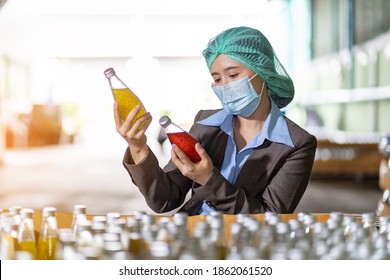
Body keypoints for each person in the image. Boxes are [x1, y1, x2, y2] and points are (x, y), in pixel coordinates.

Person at [114, 26, 317, 216]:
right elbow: (165, 199)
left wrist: (208, 180)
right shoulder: (205, 125)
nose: (225, 86)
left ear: (263, 71)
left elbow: (268, 217)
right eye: (217, 79)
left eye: (233, 74)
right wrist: (138, 147)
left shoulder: (296, 144)